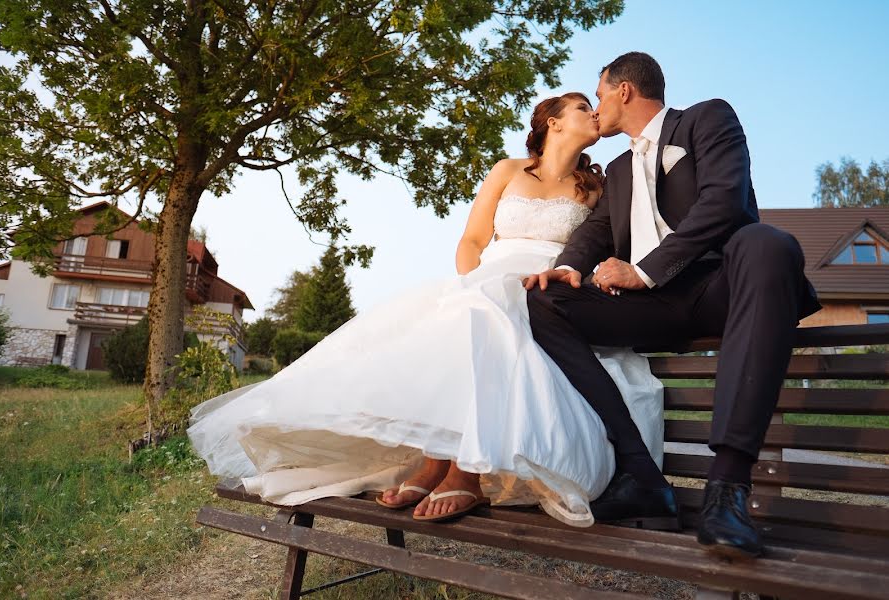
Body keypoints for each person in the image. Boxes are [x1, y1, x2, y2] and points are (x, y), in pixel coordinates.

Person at [188, 92, 665, 527]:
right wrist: (470, 283)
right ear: (554, 122)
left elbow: (599, 249)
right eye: (584, 107)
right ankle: (437, 461)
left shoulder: (596, 189)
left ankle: (463, 472)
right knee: (470, 315)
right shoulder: (507, 170)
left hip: (546, 290)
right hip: (486, 277)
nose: (595, 113)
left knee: (494, 320)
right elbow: (473, 240)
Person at [524, 53, 820, 557]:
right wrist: (570, 265)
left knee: (768, 243)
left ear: (623, 91)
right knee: (542, 299)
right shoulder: (617, 169)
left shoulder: (707, 118)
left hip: (719, 284)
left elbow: (724, 202)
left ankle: (727, 489)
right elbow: (595, 232)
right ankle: (640, 471)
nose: (597, 108)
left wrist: (642, 271)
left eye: (598, 95)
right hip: (649, 309)